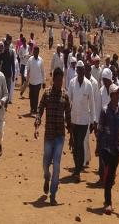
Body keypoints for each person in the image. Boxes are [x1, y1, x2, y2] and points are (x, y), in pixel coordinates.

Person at [35, 67, 71, 206]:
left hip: (60, 136)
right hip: (48, 135)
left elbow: (68, 116)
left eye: (61, 80)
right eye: (57, 80)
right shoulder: (47, 93)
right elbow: (40, 110)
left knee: (56, 164)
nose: (59, 82)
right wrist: (37, 125)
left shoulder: (65, 95)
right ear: (53, 79)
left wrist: (71, 135)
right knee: (46, 163)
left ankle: (53, 193)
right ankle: (46, 177)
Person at [96, 84, 119, 215]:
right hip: (106, 148)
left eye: (118, 94)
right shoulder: (104, 111)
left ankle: (108, 182)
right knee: (109, 173)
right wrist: (97, 146)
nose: (117, 96)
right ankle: (108, 202)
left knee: (111, 173)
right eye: (115, 94)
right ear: (111, 96)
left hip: (116, 148)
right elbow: (99, 130)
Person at [68, 60, 96, 182]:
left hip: (84, 121)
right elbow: (69, 101)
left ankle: (78, 170)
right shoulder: (72, 83)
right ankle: (77, 167)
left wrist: (93, 120)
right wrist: (67, 119)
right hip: (74, 120)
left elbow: (92, 104)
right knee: (75, 145)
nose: (80, 71)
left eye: (82, 70)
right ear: (77, 71)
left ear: (84, 71)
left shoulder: (89, 84)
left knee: (79, 143)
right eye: (78, 70)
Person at [25, 46, 46, 115]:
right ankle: (32, 108)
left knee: (36, 96)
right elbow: (27, 68)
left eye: (36, 51)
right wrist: (26, 75)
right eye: (34, 51)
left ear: (38, 52)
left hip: (38, 82)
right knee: (31, 96)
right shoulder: (30, 60)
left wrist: (44, 82)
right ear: (33, 52)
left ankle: (35, 109)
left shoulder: (41, 60)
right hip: (31, 81)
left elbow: (43, 71)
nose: (35, 52)